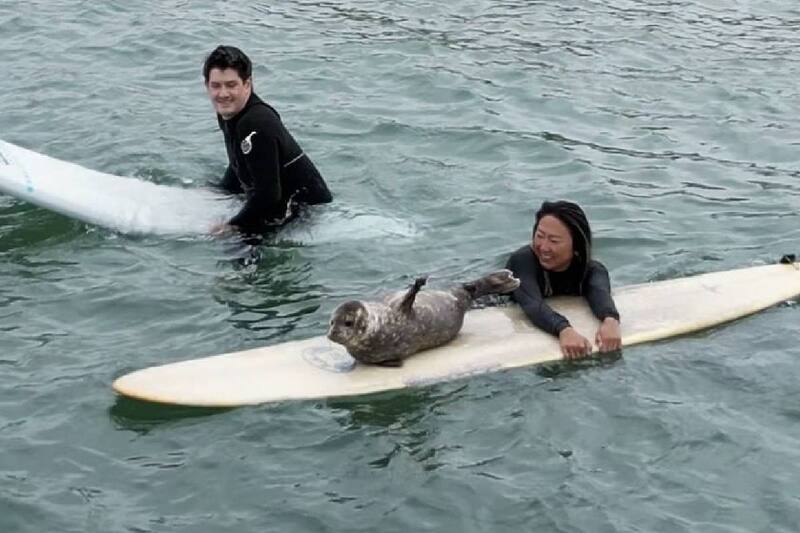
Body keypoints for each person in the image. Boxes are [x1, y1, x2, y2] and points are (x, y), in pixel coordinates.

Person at [203, 45, 332, 235]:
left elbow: (269, 196)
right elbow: (239, 161)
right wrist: (221, 191)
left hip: (307, 212)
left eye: (231, 85)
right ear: (207, 85)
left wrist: (232, 226)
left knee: (234, 254)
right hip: (275, 199)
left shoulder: (256, 123)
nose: (223, 94)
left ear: (247, 84)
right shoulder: (229, 113)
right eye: (216, 86)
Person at [505, 200, 621, 359]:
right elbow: (532, 303)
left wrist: (611, 320)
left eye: (553, 241)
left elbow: (599, 291)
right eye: (539, 236)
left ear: (576, 246)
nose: (543, 247)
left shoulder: (592, 270)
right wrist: (564, 330)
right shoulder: (521, 262)